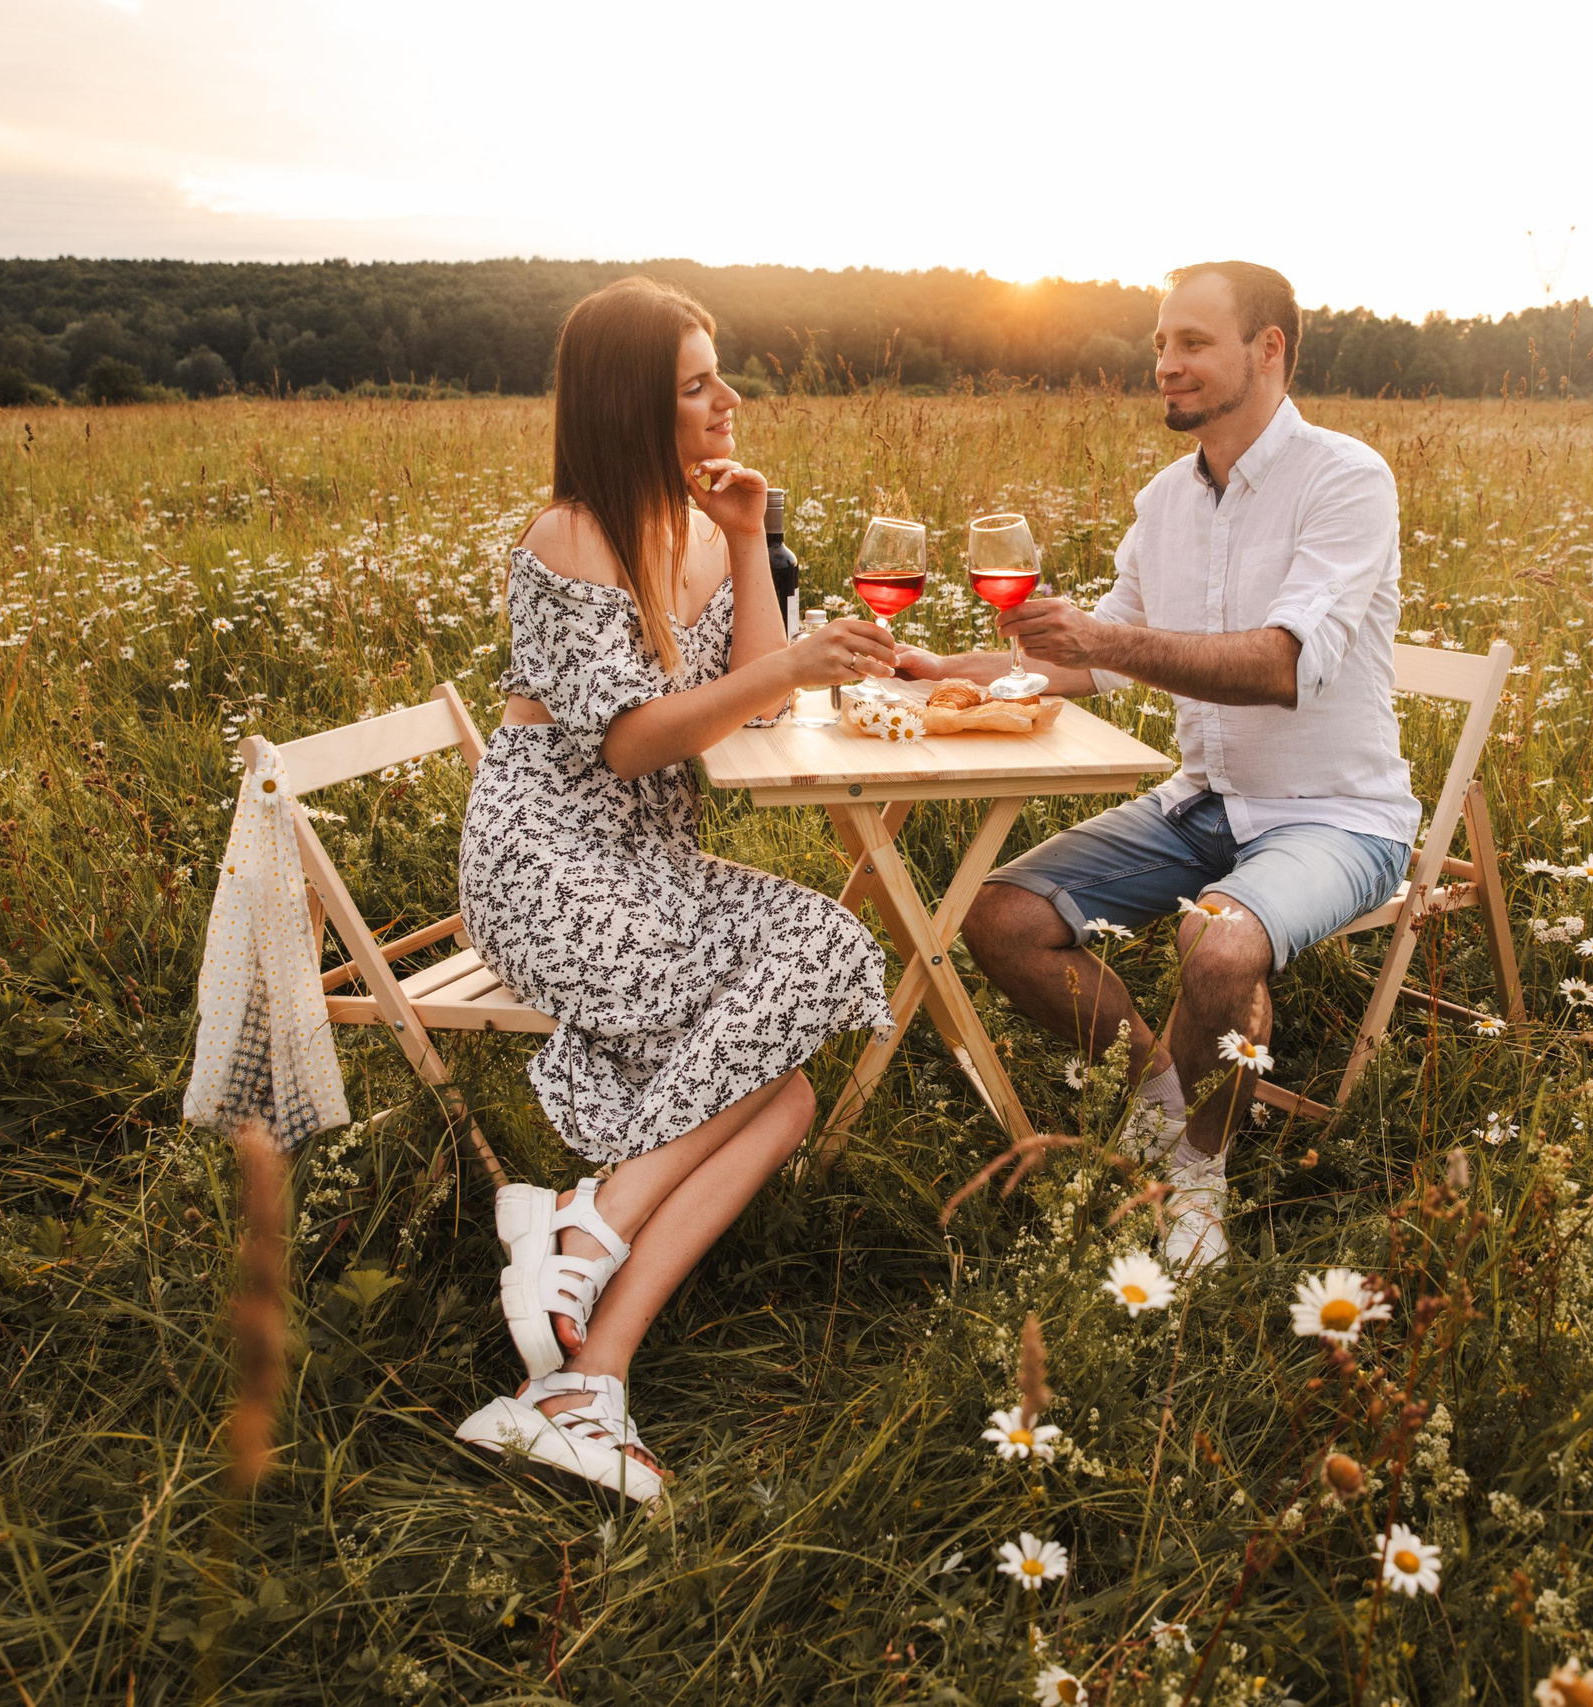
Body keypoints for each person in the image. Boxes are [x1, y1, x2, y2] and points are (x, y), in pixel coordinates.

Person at [452, 277, 899, 1500]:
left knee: (790, 1087)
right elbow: (632, 742)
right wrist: (798, 658)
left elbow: (761, 686)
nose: (727, 398)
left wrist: (752, 538)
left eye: (720, 375)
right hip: (547, 867)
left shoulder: (701, 527)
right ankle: (584, 1226)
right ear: (630, 402)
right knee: (819, 959)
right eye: (697, 382)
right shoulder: (574, 536)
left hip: (644, 866)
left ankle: (585, 1377)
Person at [900, 261, 1414, 1276]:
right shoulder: (1164, 501)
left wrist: (1105, 639)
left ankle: (1197, 1180)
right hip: (1206, 802)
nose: (1165, 366)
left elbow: (1280, 665)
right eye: (1159, 346)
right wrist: (933, 671)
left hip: (1336, 818)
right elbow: (1084, 658)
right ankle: (1164, 1102)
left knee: (1217, 951)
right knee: (998, 919)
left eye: (1191, 344)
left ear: (1267, 350)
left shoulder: (1345, 480)